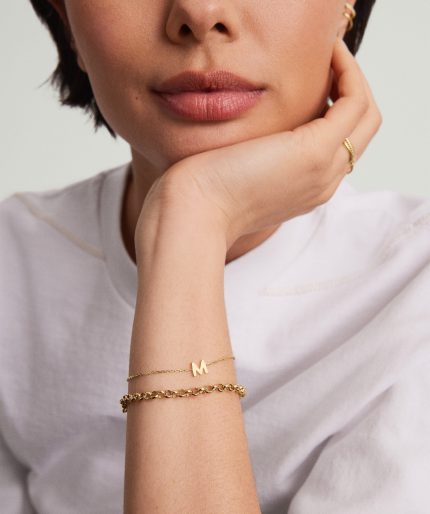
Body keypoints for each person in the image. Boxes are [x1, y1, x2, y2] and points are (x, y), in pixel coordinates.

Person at [1, 1, 429, 513]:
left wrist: (192, 215)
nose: (200, 12)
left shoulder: (414, 286)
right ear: (66, 18)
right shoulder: (13, 265)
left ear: (346, 8)